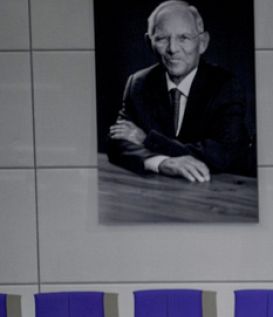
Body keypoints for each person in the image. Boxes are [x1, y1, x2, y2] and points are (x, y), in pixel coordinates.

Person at [106, 1, 252, 182]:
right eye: (161, 38)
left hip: (219, 194)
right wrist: (162, 163)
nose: (172, 49)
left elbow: (221, 155)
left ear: (203, 43)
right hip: (156, 194)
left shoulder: (227, 87)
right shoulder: (138, 84)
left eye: (183, 38)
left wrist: (147, 140)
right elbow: (117, 143)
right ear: (148, 42)